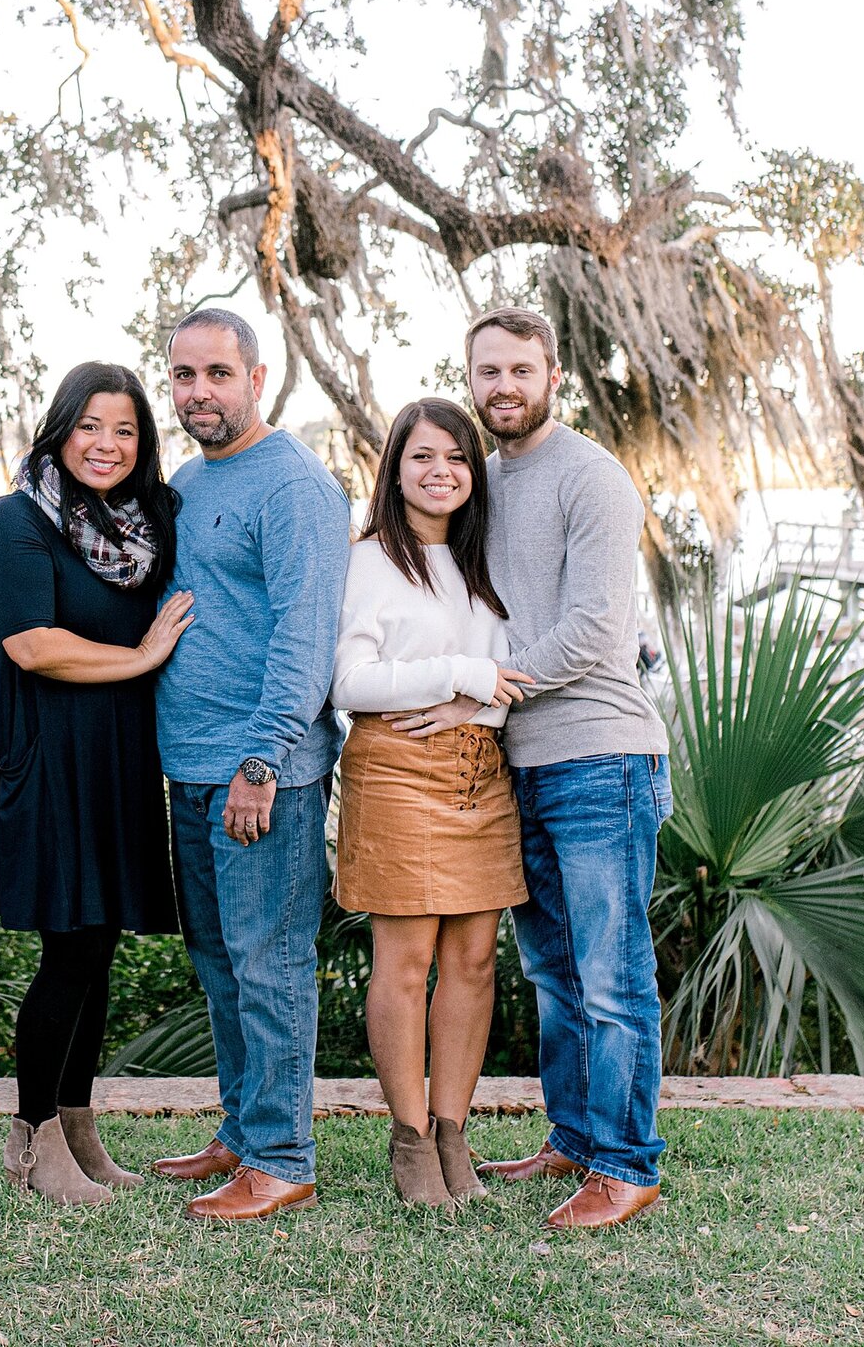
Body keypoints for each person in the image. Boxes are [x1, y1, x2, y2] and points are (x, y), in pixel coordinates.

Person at [0, 363, 195, 1205]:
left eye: (126, 429)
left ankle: (79, 1123)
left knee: (97, 946)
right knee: (67, 949)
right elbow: (31, 644)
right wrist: (140, 659)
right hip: (45, 760)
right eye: (91, 426)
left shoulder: (145, 525)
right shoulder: (13, 523)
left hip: (116, 759)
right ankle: (33, 1143)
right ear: (60, 428)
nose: (107, 445)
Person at [466, 306, 672, 1232]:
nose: (503, 387)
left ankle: (627, 1164)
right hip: (522, 763)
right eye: (487, 372)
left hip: (601, 756)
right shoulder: (484, 483)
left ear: (554, 376)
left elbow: (595, 630)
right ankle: (575, 1139)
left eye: (520, 369)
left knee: (612, 975)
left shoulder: (593, 478)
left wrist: (488, 692)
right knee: (553, 973)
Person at [147, 308, 351, 1222]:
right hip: (188, 765)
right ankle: (241, 1129)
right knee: (220, 961)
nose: (199, 393)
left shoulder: (295, 484)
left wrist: (260, 761)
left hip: (261, 772)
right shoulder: (188, 482)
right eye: (184, 376)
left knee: (270, 962)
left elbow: (305, 639)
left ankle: (282, 1157)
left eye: (217, 375)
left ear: (257, 378)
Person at [331, 398, 533, 1208]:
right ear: (395, 468)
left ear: (474, 470)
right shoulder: (371, 559)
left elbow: (512, 680)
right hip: (398, 770)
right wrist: (460, 675)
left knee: (474, 963)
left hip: (481, 774)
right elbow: (349, 684)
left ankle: (454, 1131)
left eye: (456, 456)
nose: (440, 470)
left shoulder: (488, 562)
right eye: (422, 456)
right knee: (407, 964)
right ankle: (410, 1139)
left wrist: (476, 700)